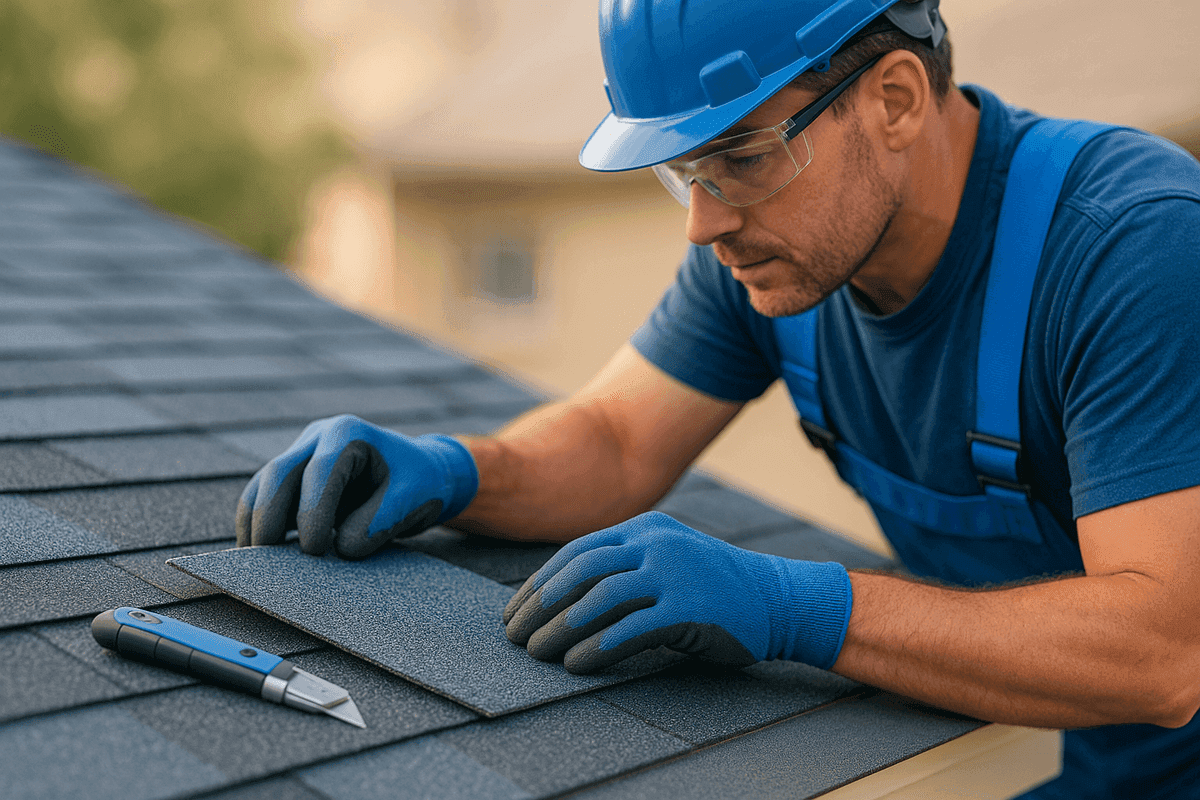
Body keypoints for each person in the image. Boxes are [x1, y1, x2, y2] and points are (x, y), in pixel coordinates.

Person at [235, 0, 1200, 795]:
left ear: (897, 99)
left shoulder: (1130, 249)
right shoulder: (782, 252)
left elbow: (1162, 653)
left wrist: (791, 605)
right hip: (1024, 740)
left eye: (740, 156)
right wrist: (454, 468)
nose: (704, 222)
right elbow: (616, 440)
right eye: (681, 172)